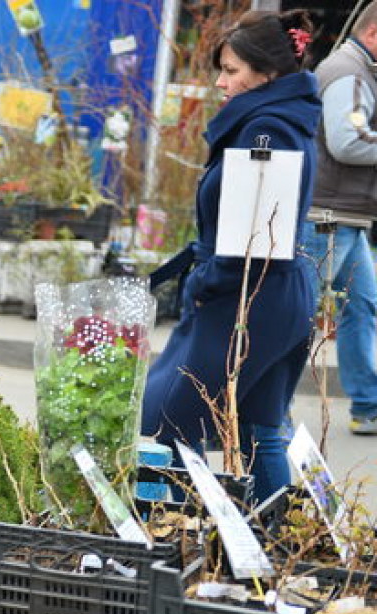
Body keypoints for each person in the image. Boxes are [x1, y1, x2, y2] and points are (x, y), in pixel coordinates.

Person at [143, 10, 321, 503]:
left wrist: (208, 282)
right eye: (221, 69)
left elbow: (257, 231)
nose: (222, 82)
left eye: (233, 70)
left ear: (268, 74)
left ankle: (170, 545)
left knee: (169, 421)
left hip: (248, 296)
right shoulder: (283, 118)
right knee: (263, 425)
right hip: (270, 292)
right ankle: (276, 539)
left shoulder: (266, 128)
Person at [299, 0, 377, 435]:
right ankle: (260, 409)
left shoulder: (357, 70)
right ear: (374, 33)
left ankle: (371, 405)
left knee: (360, 308)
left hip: (345, 217)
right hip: (328, 218)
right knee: (296, 315)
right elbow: (347, 143)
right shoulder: (349, 72)